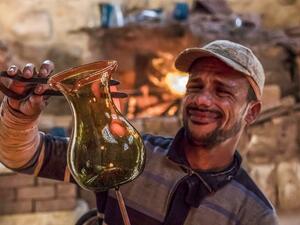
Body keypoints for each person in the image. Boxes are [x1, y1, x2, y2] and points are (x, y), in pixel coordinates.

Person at [0, 40, 279, 225]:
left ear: (251, 112)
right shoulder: (129, 153)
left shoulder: (254, 214)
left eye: (222, 91)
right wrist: (18, 117)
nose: (201, 100)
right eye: (195, 87)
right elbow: (26, 158)